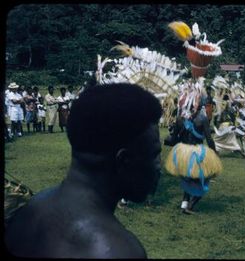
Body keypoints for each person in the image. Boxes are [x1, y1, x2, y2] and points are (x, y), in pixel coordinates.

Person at [5, 83, 162, 258]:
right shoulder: (118, 251)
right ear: (124, 160)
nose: (159, 167)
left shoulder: (31, 207)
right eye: (154, 155)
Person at [165, 79, 222, 214]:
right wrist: (214, 153)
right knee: (204, 180)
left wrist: (171, 140)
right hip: (197, 154)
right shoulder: (202, 119)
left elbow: (173, 139)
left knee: (189, 179)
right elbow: (209, 139)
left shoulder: (180, 119)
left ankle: (184, 205)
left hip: (183, 154)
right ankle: (190, 206)